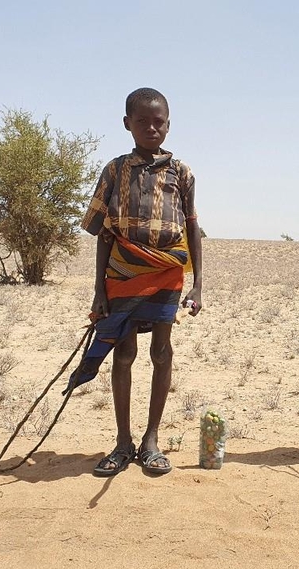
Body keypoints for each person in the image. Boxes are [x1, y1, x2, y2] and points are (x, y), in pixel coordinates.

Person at [67, 87, 203, 477]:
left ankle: (152, 441)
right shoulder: (115, 170)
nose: (151, 127)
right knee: (123, 353)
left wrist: (198, 284)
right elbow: (104, 233)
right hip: (122, 273)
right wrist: (98, 290)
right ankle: (123, 442)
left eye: (159, 121)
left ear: (169, 124)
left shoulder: (183, 172)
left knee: (162, 352)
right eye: (142, 121)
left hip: (167, 273)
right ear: (127, 124)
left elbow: (193, 228)